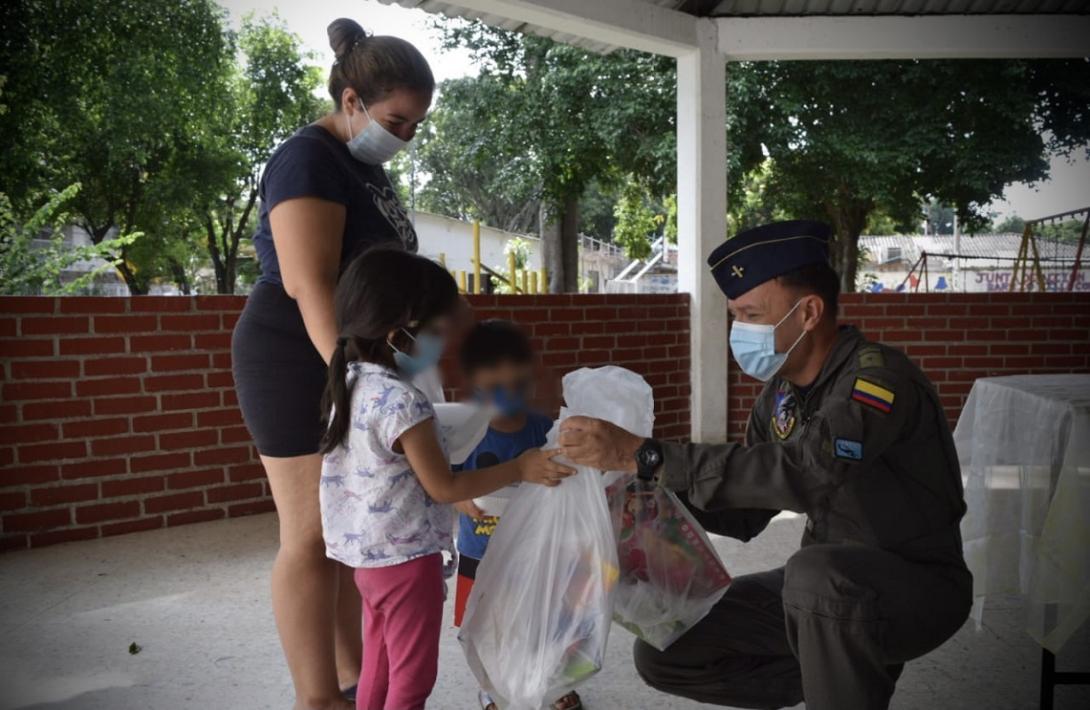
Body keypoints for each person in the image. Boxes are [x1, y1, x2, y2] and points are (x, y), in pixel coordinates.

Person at [558, 220, 972, 710]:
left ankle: (842, 680)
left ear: (810, 312)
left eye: (752, 314)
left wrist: (648, 453)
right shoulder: (780, 395)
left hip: (915, 586)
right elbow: (744, 514)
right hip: (824, 591)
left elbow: (802, 472)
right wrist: (641, 494)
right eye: (736, 315)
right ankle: (836, 672)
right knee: (667, 648)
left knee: (813, 574)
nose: (741, 330)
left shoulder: (875, 383)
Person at [231, 17, 434, 710]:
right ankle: (317, 699)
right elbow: (308, 282)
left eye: (414, 127)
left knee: (361, 524)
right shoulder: (308, 157)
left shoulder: (365, 165)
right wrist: (349, 380)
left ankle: (354, 681)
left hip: (353, 361)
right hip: (296, 354)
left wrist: (409, 362)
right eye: (396, 121)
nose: (403, 138)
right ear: (352, 101)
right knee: (312, 534)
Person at [320, 249, 574, 710]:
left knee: (378, 665)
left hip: (367, 560)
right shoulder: (402, 401)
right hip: (407, 564)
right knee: (412, 681)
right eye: (436, 333)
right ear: (398, 336)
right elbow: (446, 488)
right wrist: (520, 467)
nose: (442, 346)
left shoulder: (352, 382)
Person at [450, 320, 585, 710]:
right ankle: (493, 688)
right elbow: (442, 480)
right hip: (480, 551)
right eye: (495, 388)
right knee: (485, 624)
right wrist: (458, 498)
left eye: (517, 386)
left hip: (536, 549)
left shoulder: (543, 429)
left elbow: (565, 473)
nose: (508, 396)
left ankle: (555, 683)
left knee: (546, 617)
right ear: (474, 381)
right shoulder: (461, 431)